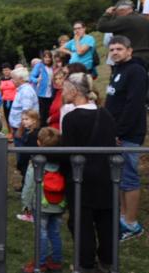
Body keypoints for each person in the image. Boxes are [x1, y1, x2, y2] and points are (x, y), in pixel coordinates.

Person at [60, 72, 116, 273]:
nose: (62, 93)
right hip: (106, 176)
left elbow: (69, 152)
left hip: (81, 178)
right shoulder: (105, 114)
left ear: (74, 91)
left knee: (82, 222)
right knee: (105, 220)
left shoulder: (71, 118)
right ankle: (107, 261)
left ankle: (85, 263)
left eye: (65, 89)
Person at [104, 35, 147, 241]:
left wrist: (119, 132)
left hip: (128, 134)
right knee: (120, 178)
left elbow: (133, 105)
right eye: (112, 49)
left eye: (119, 49)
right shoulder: (118, 70)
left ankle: (132, 224)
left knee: (129, 178)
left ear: (129, 51)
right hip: (116, 133)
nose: (115, 52)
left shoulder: (136, 71)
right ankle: (122, 217)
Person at [19, 127, 64, 273]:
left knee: (42, 233)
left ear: (38, 143)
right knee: (55, 232)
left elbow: (29, 185)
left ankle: (41, 262)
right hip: (58, 204)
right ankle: (56, 260)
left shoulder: (36, 163)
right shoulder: (62, 163)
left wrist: (25, 203)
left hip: (41, 204)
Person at [97, 0, 149, 67]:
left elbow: (101, 27)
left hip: (131, 57)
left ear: (122, 10)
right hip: (146, 55)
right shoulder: (144, 19)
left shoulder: (124, 20)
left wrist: (107, 14)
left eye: (116, 11)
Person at [14, 110, 39, 191]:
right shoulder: (26, 131)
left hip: (30, 161)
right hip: (25, 160)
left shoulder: (35, 134)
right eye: (22, 119)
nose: (23, 121)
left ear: (34, 120)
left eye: (26, 119)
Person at [30, 50, 54, 127]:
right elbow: (31, 77)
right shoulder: (39, 66)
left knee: (49, 113)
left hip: (51, 94)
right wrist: (36, 80)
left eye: (49, 57)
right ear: (43, 58)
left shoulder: (53, 67)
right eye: (45, 57)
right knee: (42, 114)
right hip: (41, 93)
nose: (47, 59)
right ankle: (41, 131)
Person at [0, 62, 17, 138]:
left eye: (7, 70)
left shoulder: (14, 79)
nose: (6, 72)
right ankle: (9, 132)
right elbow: (1, 90)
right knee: (7, 117)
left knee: (13, 116)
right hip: (5, 101)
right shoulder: (1, 80)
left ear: (11, 70)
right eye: (4, 70)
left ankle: (14, 131)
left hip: (14, 100)